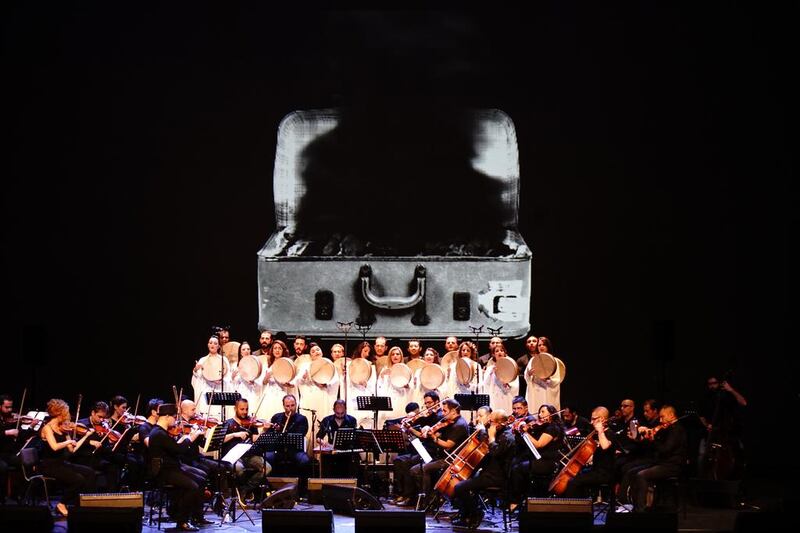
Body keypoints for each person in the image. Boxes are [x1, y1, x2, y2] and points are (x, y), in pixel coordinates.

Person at [148, 403, 209, 531]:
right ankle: (182, 521)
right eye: (175, 417)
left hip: (173, 467)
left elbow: (172, 448)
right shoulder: (158, 434)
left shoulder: (161, 432)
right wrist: (193, 436)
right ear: (167, 416)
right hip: (164, 471)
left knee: (202, 478)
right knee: (193, 486)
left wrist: (183, 439)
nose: (176, 421)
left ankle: (197, 516)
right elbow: (179, 450)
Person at [452, 409, 515, 528]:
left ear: (499, 423)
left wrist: (491, 436)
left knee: (459, 488)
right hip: (487, 473)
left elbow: (495, 452)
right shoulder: (499, 432)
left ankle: (476, 513)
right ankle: (466, 515)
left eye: (491, 422)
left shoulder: (508, 437)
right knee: (463, 481)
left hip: (496, 477)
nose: (489, 424)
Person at [38, 398, 97, 517]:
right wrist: (67, 442)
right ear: (59, 412)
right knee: (78, 479)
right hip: (49, 465)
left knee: (90, 472)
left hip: (61, 463)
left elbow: (72, 450)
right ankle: (62, 503)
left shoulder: (63, 428)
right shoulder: (47, 428)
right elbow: (54, 447)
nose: (68, 415)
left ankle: (82, 505)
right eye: (66, 411)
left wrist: (85, 436)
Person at [410, 398, 470, 508]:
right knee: (414, 469)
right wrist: (429, 431)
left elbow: (448, 445)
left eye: (445, 411)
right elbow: (440, 434)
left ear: (453, 411)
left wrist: (434, 437)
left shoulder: (459, 425)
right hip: (441, 456)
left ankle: (428, 501)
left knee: (423, 469)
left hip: (451, 460)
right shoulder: (449, 422)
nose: (442, 413)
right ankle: (429, 496)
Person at [628, 405, 688, 512]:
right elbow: (657, 446)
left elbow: (665, 449)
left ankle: (640, 510)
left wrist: (653, 440)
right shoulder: (667, 428)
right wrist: (644, 437)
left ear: (671, 415)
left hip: (672, 466)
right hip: (662, 463)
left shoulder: (677, 429)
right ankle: (635, 504)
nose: (660, 420)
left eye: (662, 417)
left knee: (641, 475)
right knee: (633, 471)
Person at [560, 407, 622, 498]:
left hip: (605, 473)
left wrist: (600, 431)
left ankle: (576, 510)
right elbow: (593, 454)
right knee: (574, 477)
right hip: (595, 470)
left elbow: (605, 446)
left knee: (574, 482)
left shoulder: (609, 433)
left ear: (602, 419)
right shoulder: (596, 434)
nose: (591, 422)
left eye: (594, 419)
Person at [393, 392, 441, 506]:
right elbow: (420, 431)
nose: (428, 406)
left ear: (437, 402)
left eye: (430, 403)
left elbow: (423, 435)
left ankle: (411, 497)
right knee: (399, 460)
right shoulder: (429, 416)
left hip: (432, 452)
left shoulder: (439, 417)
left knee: (407, 463)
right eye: (425, 403)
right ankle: (403, 494)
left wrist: (410, 429)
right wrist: (410, 422)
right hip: (424, 449)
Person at [222, 398, 271, 504]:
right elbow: (221, 439)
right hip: (234, 456)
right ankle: (239, 491)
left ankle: (245, 489)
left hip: (249, 454)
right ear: (235, 409)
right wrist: (235, 434)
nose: (245, 412)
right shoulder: (228, 423)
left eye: (246, 409)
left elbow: (254, 439)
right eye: (242, 409)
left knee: (267, 468)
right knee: (239, 469)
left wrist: (264, 430)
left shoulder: (251, 423)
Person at [263, 395, 311, 492]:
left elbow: (300, 434)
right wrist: (269, 429)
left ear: (296, 405)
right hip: (279, 450)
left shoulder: (302, 419)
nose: (290, 408)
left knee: (305, 461)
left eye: (292, 405)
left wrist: (281, 430)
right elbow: (270, 435)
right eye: (287, 406)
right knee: (265, 458)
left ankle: (301, 490)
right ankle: (270, 489)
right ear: (283, 406)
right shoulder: (277, 417)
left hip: (295, 450)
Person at [296, 343, 340, 447]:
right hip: (310, 399)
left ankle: (322, 453)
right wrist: (304, 377)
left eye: (318, 349)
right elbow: (298, 382)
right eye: (313, 351)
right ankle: (309, 452)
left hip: (323, 397)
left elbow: (335, 381)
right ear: (310, 355)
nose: (316, 352)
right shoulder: (305, 366)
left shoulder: (329, 364)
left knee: (322, 422)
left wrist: (326, 383)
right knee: (311, 424)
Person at [256, 339, 298, 421]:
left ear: (283, 350)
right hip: (269, 394)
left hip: (281, 394)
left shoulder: (287, 364)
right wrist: (267, 376)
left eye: (279, 348)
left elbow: (291, 381)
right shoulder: (269, 363)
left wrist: (288, 383)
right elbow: (264, 382)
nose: (277, 350)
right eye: (275, 348)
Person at [191, 336, 233, 417]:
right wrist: (195, 370)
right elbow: (198, 378)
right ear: (208, 345)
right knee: (206, 414)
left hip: (219, 391)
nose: (212, 345)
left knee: (218, 414)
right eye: (210, 343)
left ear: (218, 346)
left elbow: (228, 376)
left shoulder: (223, 360)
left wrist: (221, 380)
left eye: (215, 343)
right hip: (206, 391)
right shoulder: (203, 360)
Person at [316, 399, 358, 477]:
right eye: (337, 413)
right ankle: (327, 483)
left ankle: (350, 483)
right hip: (332, 450)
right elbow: (318, 437)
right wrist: (323, 442)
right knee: (324, 457)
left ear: (345, 410)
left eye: (342, 413)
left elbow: (355, 437)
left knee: (355, 457)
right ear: (333, 410)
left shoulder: (352, 420)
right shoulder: (327, 420)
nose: (340, 415)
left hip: (346, 450)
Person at [524, 336, 562, 410]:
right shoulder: (533, 360)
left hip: (548, 392)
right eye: (539, 345)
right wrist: (529, 374)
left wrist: (547, 380)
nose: (541, 347)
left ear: (548, 346)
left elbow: (557, 380)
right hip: (536, 392)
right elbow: (527, 376)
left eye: (543, 345)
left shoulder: (554, 361)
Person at [482, 344, 520, 414]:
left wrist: (506, 384)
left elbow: (515, 385)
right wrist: (491, 373)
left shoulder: (511, 367)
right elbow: (485, 384)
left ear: (505, 353)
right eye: (497, 351)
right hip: (494, 398)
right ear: (493, 354)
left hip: (506, 397)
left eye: (501, 351)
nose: (499, 352)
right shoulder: (490, 368)